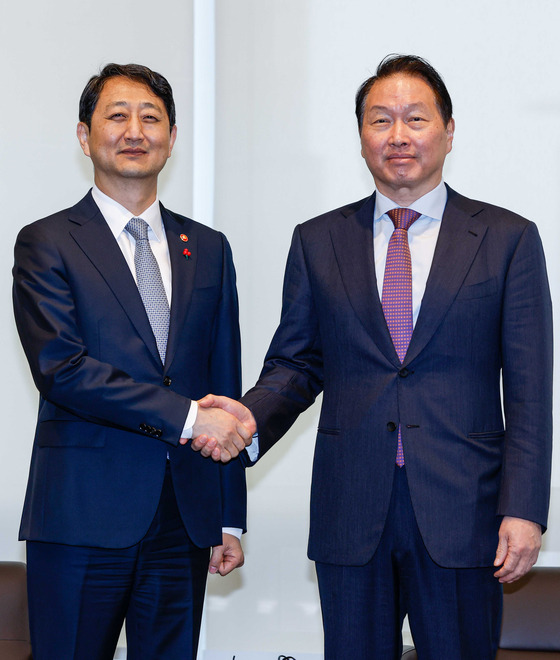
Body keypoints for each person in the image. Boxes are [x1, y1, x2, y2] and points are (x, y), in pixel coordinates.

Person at [194, 55, 553, 659]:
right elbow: (297, 364)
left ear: (449, 129)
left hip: (464, 513)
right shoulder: (317, 240)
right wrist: (248, 419)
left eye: (415, 118)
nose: (399, 136)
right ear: (361, 136)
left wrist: (525, 509)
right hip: (351, 509)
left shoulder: (507, 240)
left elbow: (529, 391)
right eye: (380, 120)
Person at [12, 63, 254, 660]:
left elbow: (224, 381)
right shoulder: (47, 242)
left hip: (185, 517)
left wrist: (228, 515)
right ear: (83, 133)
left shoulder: (210, 248)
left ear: (172, 138)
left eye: (151, 118)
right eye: (117, 116)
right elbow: (62, 369)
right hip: (80, 518)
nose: (134, 131)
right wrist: (191, 420)